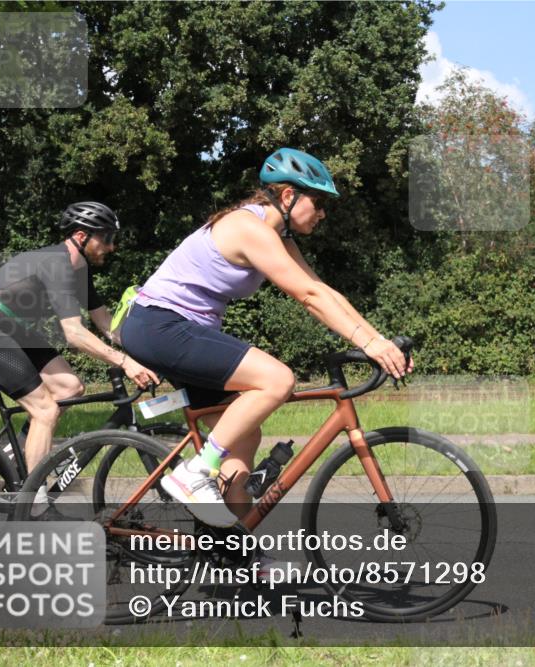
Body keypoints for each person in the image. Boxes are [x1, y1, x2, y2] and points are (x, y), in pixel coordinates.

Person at [120, 148, 412, 538]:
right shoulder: (248, 228)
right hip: (160, 324)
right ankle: (194, 473)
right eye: (319, 202)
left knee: (244, 438)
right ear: (288, 196)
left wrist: (375, 340)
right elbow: (307, 297)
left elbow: (322, 291)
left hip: (178, 329)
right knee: (276, 380)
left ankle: (235, 553)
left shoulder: (276, 235)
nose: (323, 214)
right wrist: (370, 344)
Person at [0, 202, 161, 507]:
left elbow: (106, 326)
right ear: (81, 236)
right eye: (106, 238)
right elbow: (74, 333)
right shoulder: (58, 263)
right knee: (45, 411)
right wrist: (123, 361)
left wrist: (146, 355)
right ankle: (32, 499)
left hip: (13, 328)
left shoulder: (80, 270)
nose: (111, 246)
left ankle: (15, 454)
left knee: (69, 388)